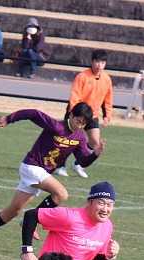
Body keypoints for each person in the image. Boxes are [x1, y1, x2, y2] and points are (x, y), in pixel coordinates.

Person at [0, 103, 103, 250]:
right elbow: (33, 113)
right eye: (78, 121)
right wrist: (8, 119)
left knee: (14, 210)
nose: (80, 125)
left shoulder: (79, 137)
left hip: (41, 173)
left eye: (84, 124)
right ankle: (32, 220)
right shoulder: (56, 126)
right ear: (71, 115)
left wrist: (95, 155)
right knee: (61, 194)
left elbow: (82, 161)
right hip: (31, 166)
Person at [57, 49, 113, 179]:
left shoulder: (107, 79)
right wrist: (76, 114)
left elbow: (108, 99)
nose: (99, 65)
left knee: (95, 142)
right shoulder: (82, 76)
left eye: (102, 62)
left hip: (92, 115)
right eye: (97, 62)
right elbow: (74, 96)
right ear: (92, 62)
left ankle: (78, 163)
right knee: (67, 140)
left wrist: (107, 115)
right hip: (77, 113)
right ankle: (60, 165)